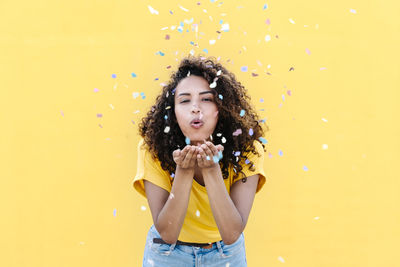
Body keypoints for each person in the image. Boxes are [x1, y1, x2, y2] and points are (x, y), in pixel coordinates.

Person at [132, 55, 269, 267]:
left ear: (221, 108)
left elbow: (232, 232)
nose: (195, 108)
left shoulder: (248, 150)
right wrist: (184, 173)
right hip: (167, 254)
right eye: (185, 100)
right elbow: (167, 232)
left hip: (226, 255)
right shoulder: (152, 148)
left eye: (206, 99)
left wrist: (212, 170)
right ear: (173, 112)